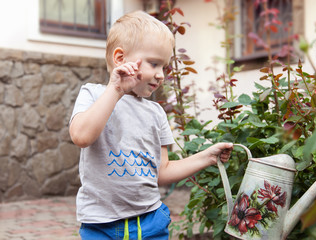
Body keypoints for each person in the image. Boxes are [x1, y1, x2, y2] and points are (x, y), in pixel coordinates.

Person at [69, 10, 233, 240]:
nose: (161, 75)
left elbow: (161, 172)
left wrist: (207, 157)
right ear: (120, 59)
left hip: (150, 222)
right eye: (154, 64)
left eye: (164, 67)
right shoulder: (93, 95)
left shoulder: (155, 113)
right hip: (100, 226)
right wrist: (116, 89)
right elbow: (81, 136)